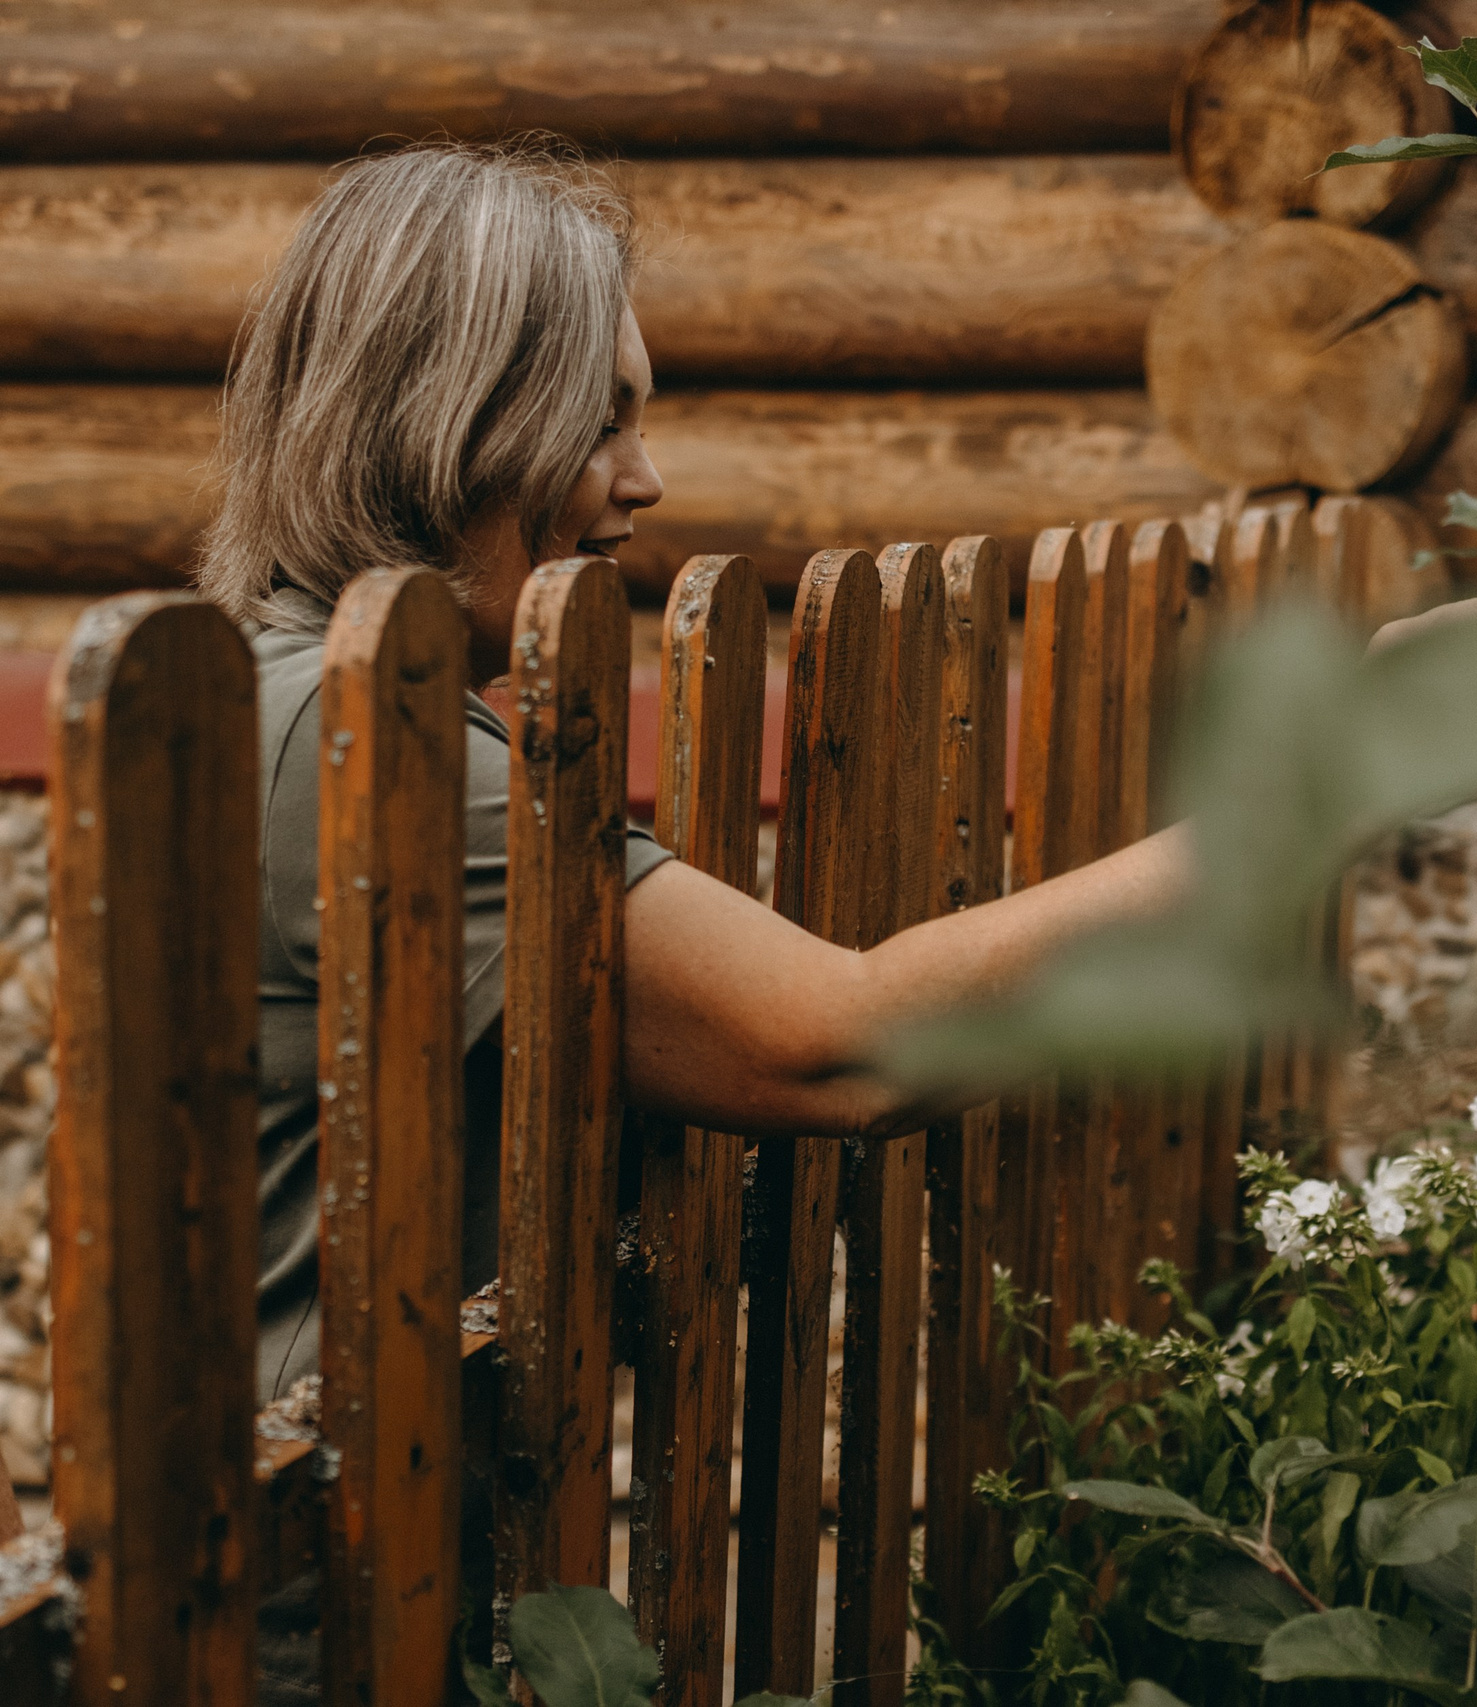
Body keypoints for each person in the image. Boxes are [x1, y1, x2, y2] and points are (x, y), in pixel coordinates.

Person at [197, 139, 1206, 1703]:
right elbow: (846, 1049)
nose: (644, 480)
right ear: (451, 419)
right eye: (600, 420)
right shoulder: (350, 743)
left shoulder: (317, 699)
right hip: (309, 1612)